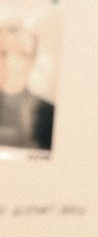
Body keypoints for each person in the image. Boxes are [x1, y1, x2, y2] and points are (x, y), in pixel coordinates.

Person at [0, 20, 54, 152]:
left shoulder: (48, 113)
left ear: (32, 60)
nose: (11, 63)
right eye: (3, 53)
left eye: (22, 55)